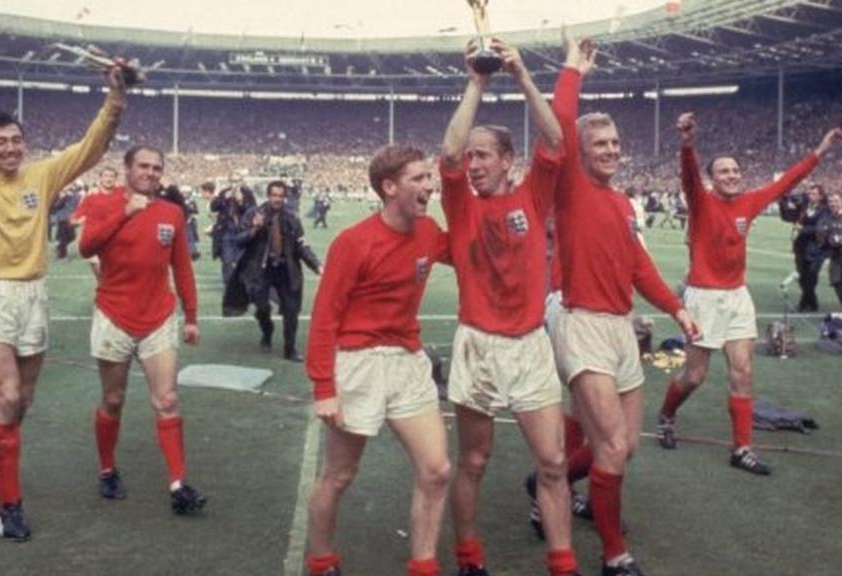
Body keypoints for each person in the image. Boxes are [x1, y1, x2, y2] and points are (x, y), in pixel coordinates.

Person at [0, 65, 126, 542]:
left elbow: (90, 148)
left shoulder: (42, 176)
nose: (10, 148)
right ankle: (10, 505)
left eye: (15, 139)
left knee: (22, 401)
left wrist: (114, 99)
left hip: (32, 293)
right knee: (7, 394)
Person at [550, 35, 698, 576]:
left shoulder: (621, 202)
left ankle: (554, 480)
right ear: (581, 153)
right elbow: (561, 122)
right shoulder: (570, 187)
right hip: (584, 326)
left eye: (615, 143)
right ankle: (615, 555)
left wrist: (677, 309)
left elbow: (638, 267)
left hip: (620, 330)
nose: (611, 150)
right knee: (611, 446)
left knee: (626, 446)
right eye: (600, 144)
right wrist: (573, 70)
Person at [439, 38, 579, 576]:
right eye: (470, 156)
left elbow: (554, 136)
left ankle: (562, 563)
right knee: (473, 460)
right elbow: (448, 154)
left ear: (507, 160)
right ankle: (469, 556)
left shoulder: (532, 195)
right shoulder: (459, 201)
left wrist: (520, 73)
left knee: (552, 461)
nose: (471, 164)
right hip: (477, 345)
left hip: (528, 346)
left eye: (483, 155)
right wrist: (478, 81)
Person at [656, 112, 842, 476]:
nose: (731, 175)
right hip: (703, 298)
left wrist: (820, 151)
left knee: (742, 373)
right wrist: (688, 144)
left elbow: (789, 180)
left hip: (737, 297)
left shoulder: (750, 202)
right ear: (712, 178)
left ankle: (742, 449)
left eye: (735, 170)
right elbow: (688, 174)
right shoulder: (700, 200)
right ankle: (666, 416)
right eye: (723, 171)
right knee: (694, 376)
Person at [304, 145, 452, 576]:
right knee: (339, 476)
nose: (429, 186)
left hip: (408, 362)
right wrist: (324, 388)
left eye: (430, 178)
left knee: (437, 469)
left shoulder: (429, 232)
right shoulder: (353, 243)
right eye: (419, 179)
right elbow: (325, 318)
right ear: (389, 187)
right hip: (359, 363)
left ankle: (423, 566)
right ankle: (322, 561)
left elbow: (468, 251)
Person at [77, 146, 206, 515]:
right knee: (113, 400)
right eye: (143, 166)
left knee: (166, 400)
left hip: (159, 317)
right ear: (127, 169)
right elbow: (86, 246)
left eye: (156, 167)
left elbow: (182, 266)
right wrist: (124, 212)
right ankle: (106, 469)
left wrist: (192, 315)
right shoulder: (104, 204)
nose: (150, 172)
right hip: (113, 314)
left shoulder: (172, 213)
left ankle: (179, 484)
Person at [224, 180, 322, 362]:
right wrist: (255, 229)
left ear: (285, 197)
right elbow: (238, 239)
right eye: (274, 195)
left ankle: (290, 348)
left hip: (287, 268)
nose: (277, 199)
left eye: (280, 196)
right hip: (261, 269)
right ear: (269, 196)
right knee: (262, 307)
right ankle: (267, 331)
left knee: (291, 310)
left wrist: (317, 266)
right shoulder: (254, 214)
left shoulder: (292, 217)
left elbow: (302, 245)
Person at [792, 183, 828, 312]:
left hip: (816, 247)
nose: (810, 196)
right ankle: (811, 302)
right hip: (801, 246)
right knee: (802, 275)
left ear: (821, 196)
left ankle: (804, 303)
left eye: (814, 194)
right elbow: (789, 215)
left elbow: (820, 228)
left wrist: (803, 229)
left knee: (811, 276)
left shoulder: (824, 209)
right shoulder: (804, 207)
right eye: (809, 194)